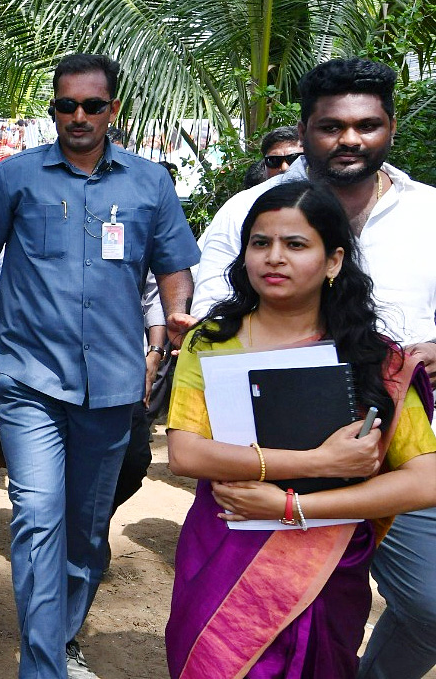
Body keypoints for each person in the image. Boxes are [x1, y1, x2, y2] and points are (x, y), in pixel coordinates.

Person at [190, 58, 436, 679]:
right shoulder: (252, 210)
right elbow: (205, 319)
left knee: (430, 607)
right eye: (332, 126)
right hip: (257, 456)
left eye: (367, 124)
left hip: (396, 448)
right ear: (306, 130)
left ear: (390, 126)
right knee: (241, 635)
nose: (350, 139)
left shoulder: (430, 214)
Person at [0, 53, 199, 679]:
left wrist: (176, 318)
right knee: (38, 517)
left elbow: (173, 265)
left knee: (87, 528)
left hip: (113, 385)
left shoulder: (149, 183)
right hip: (28, 378)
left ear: (112, 110)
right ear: (53, 110)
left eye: (91, 106)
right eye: (65, 105)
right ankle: (41, 665)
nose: (78, 116)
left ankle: (62, 632)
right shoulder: (14, 178)